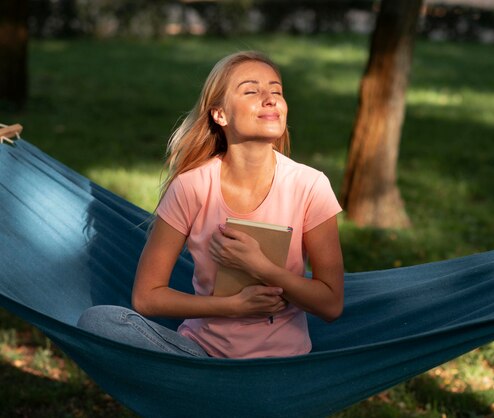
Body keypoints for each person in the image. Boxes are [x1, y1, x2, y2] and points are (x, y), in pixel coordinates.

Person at [78, 51, 344, 359]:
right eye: (251, 91)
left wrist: (261, 267)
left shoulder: (310, 186)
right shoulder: (191, 187)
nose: (270, 99)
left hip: (281, 364)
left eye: (276, 91)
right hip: (200, 356)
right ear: (220, 115)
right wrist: (232, 306)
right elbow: (147, 297)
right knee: (98, 321)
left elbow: (331, 304)